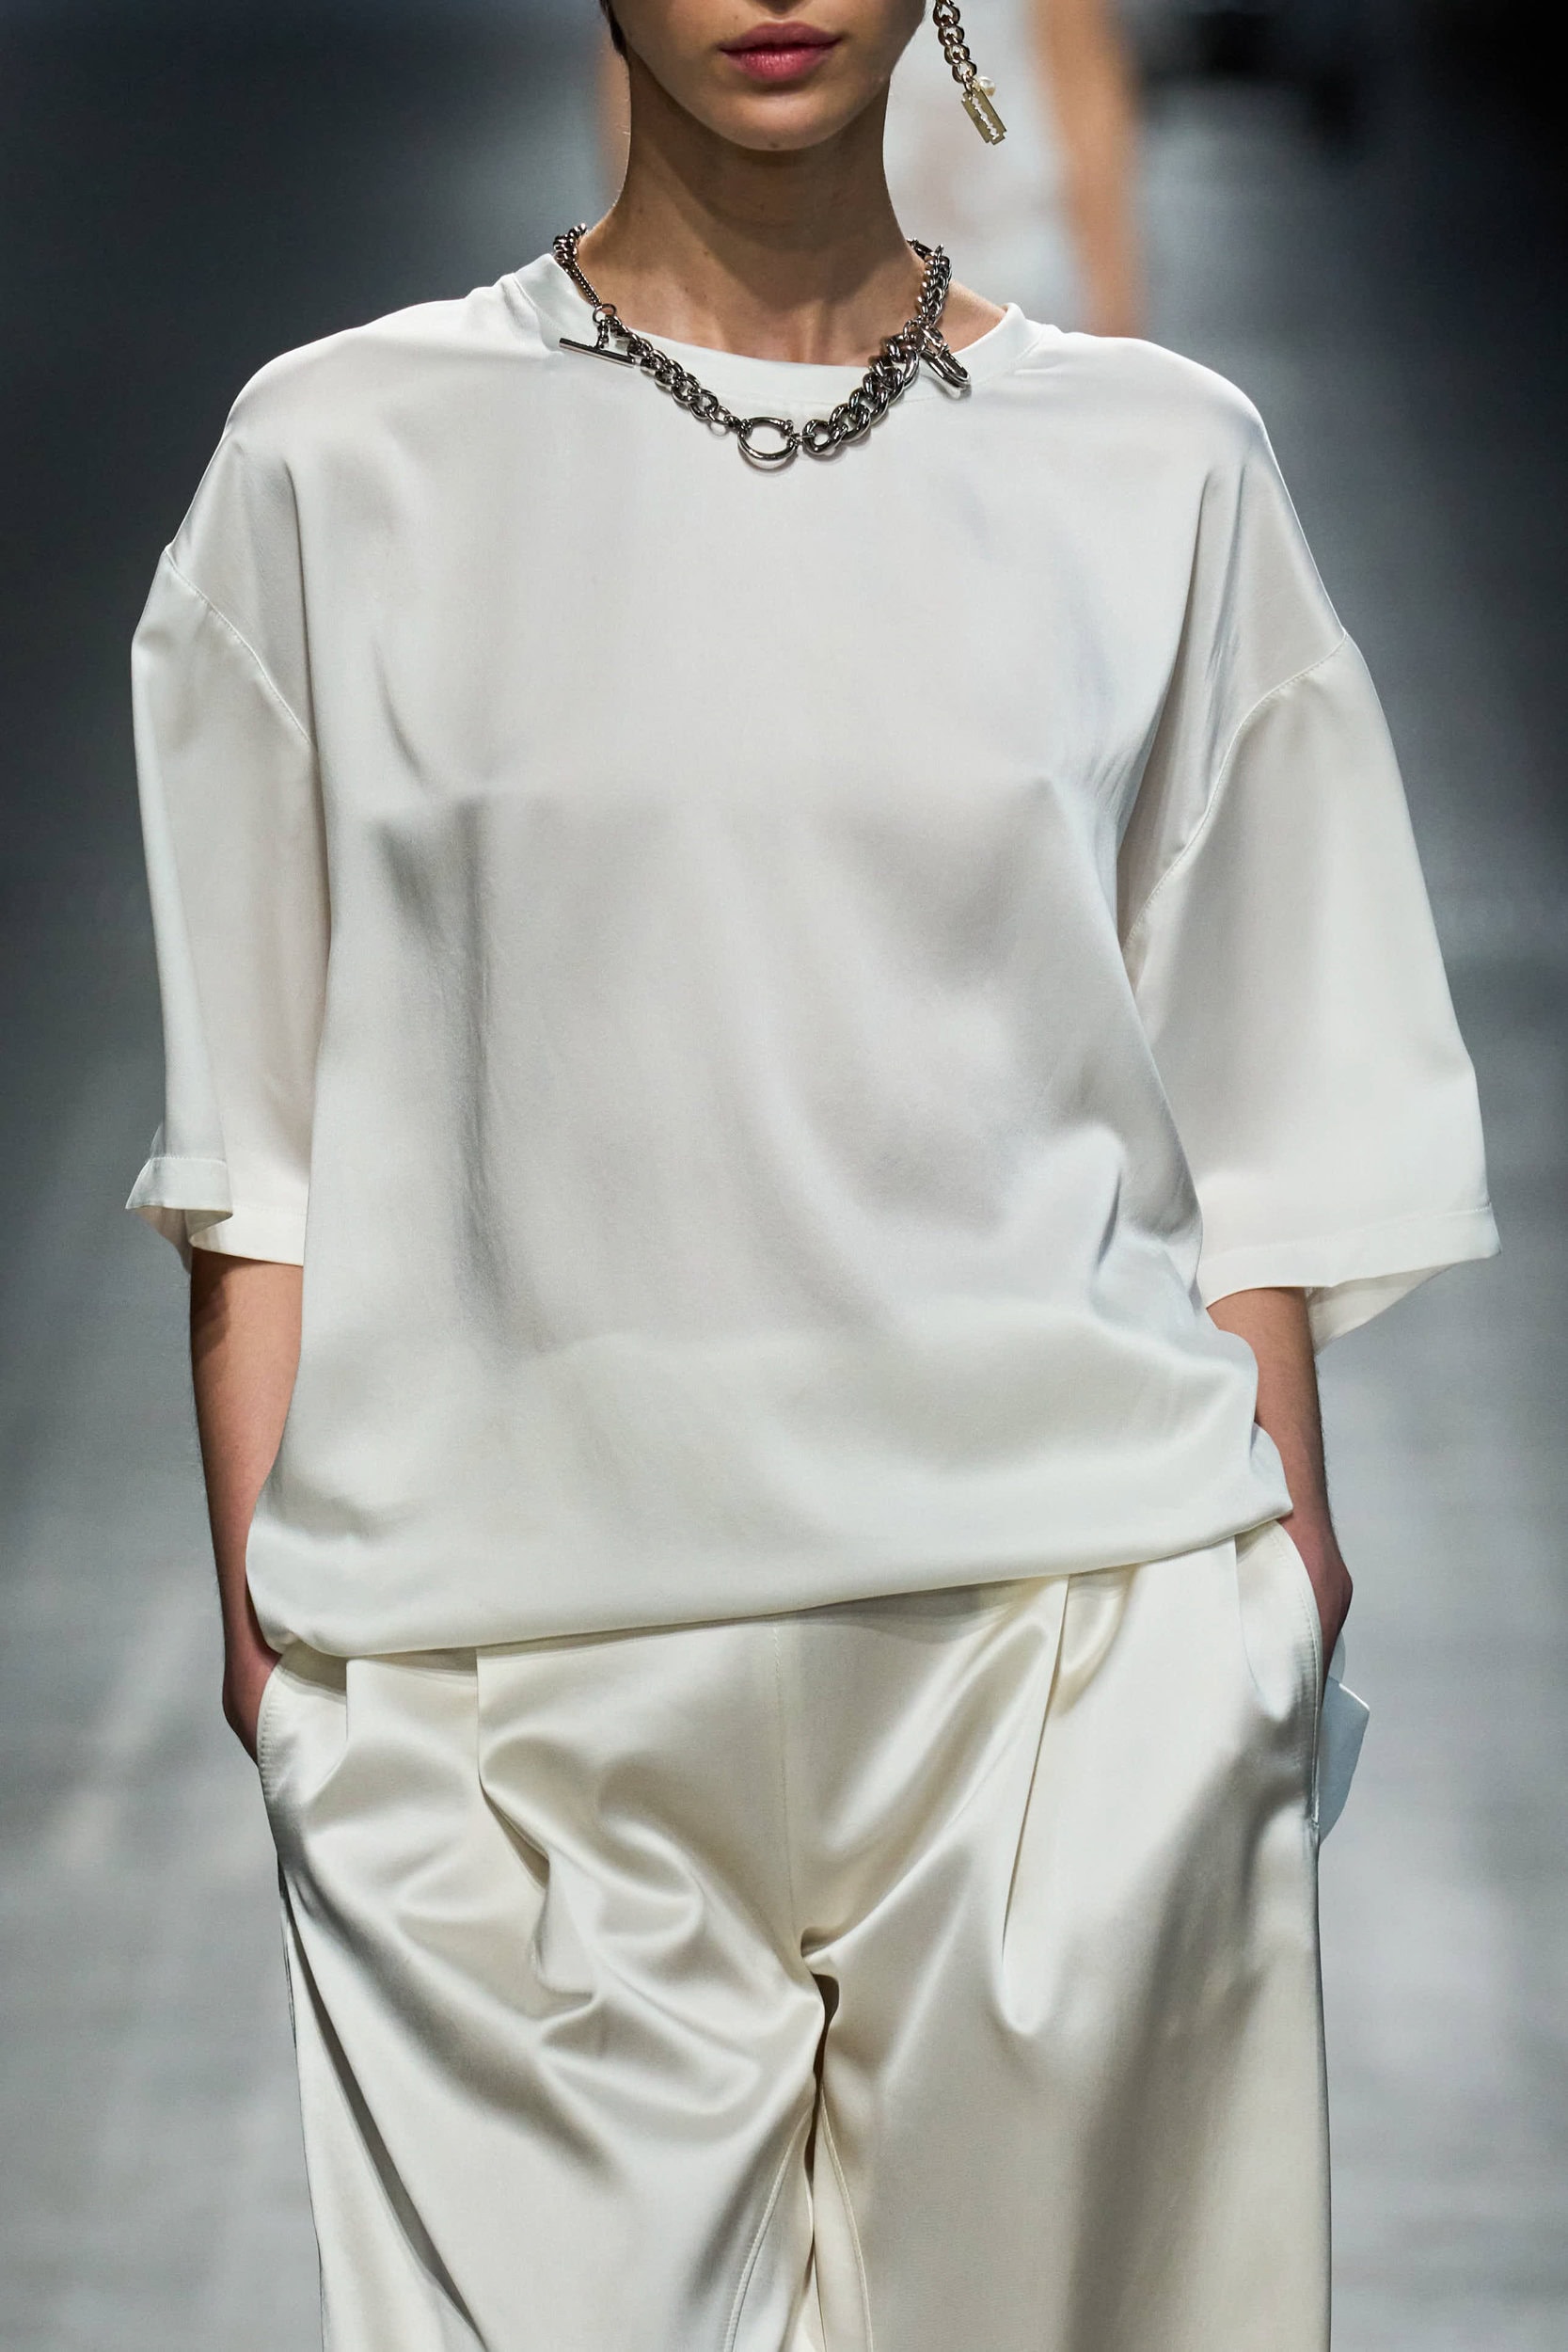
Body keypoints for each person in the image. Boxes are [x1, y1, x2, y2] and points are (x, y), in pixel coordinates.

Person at [125, 0, 1496, 2342]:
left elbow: (1259, 1088)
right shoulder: (342, 459)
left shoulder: (1158, 463)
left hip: (1067, 1676)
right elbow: (256, 1131)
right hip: (506, 1717)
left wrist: (1260, 1624)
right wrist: (295, 1664)